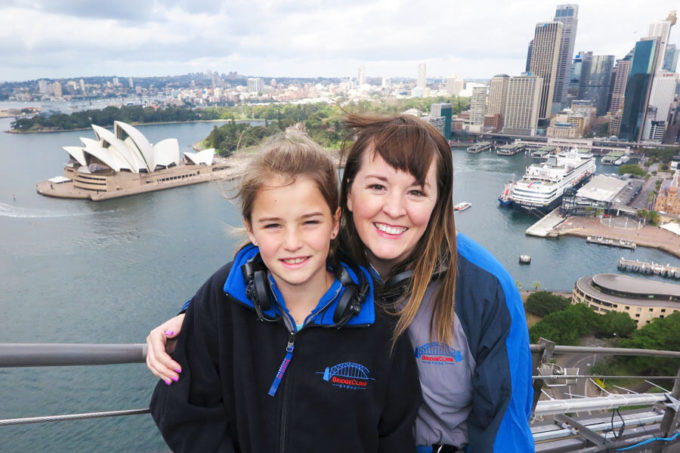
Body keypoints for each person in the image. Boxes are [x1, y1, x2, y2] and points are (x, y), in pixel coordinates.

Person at [147, 114, 535, 453]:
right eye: (378, 186)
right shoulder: (327, 252)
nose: (394, 209)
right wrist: (191, 316)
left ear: (439, 201)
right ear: (347, 195)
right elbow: (264, 262)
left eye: (416, 191)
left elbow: (504, 422)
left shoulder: (484, 288)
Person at [149, 133, 421, 452]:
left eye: (309, 222)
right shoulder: (221, 299)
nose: (292, 243)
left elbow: (396, 434)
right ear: (250, 228)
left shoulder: (381, 322)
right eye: (273, 225)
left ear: (334, 223)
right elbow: (184, 411)